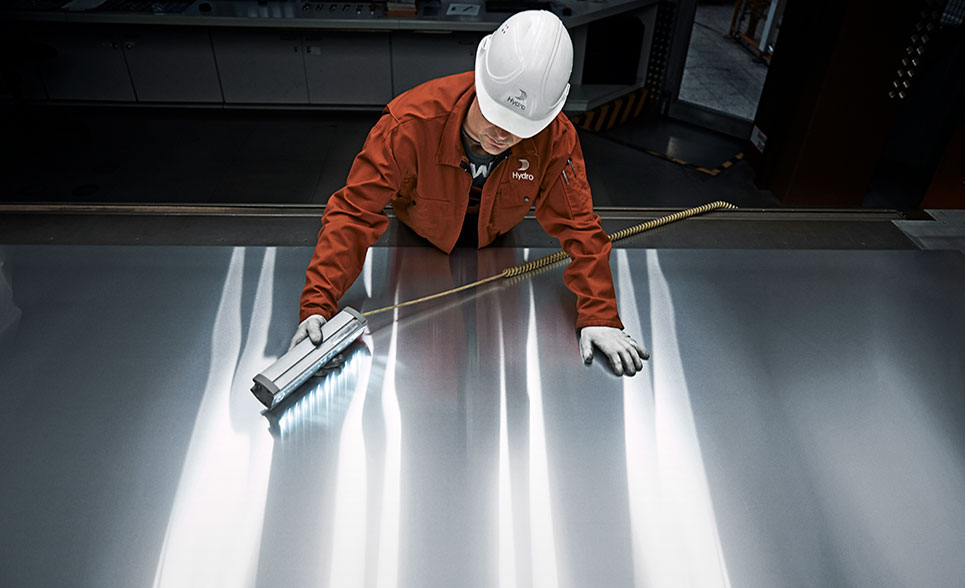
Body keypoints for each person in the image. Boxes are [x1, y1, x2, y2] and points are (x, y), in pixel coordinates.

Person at [291, 10, 649, 376]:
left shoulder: (554, 137)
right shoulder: (409, 125)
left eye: (518, 128)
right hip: (418, 242)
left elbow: (580, 227)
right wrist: (318, 304)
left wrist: (600, 315)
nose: (501, 135)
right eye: (493, 115)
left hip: (497, 245)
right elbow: (353, 215)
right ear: (480, 82)